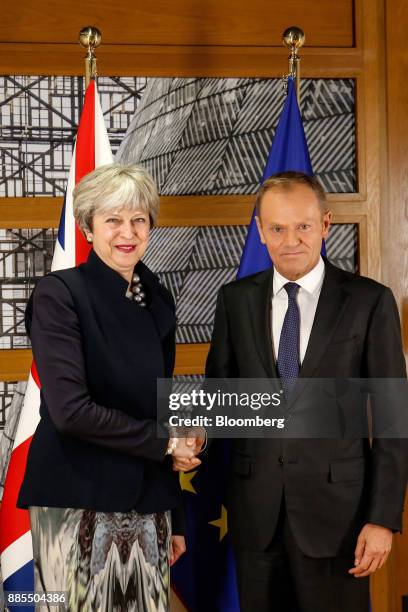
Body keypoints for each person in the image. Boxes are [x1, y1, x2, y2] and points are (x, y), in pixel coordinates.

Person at [205, 171, 408, 612]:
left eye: (303, 226)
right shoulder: (233, 300)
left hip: (340, 520)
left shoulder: (369, 301)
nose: (291, 239)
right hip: (254, 517)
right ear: (260, 230)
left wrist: (382, 519)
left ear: (326, 224)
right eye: (277, 228)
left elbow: (394, 420)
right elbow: (219, 402)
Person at [17, 163, 204, 611]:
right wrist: (164, 443)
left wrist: (173, 512)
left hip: (147, 502)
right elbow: (70, 411)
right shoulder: (59, 294)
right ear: (87, 227)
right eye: (113, 220)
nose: (128, 232)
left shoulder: (156, 295)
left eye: (139, 219)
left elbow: (158, 408)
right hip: (76, 498)